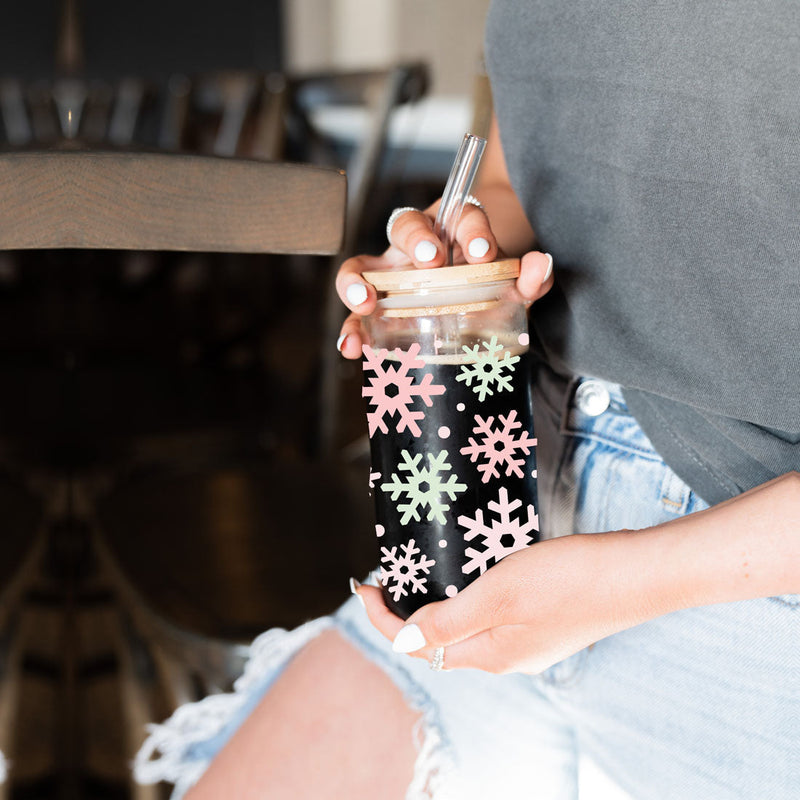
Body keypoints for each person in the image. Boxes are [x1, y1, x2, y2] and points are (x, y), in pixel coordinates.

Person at [135, 2, 799, 797]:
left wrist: (629, 581)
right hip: (498, 521)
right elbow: (515, 181)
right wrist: (456, 262)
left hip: (752, 583)